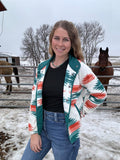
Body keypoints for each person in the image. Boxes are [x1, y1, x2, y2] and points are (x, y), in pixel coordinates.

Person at [21, 20, 107, 160]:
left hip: (64, 130)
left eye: (65, 39)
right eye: (57, 38)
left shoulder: (78, 68)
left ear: (72, 43)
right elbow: (33, 102)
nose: (60, 44)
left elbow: (100, 93)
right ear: (51, 40)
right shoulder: (42, 68)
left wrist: (80, 111)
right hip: (42, 125)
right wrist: (34, 132)